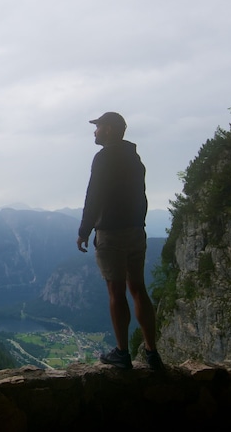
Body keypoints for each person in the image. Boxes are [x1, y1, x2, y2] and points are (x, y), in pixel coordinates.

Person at [76, 111, 163, 370]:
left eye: (99, 126)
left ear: (110, 129)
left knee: (116, 291)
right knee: (138, 288)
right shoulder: (134, 159)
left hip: (112, 232)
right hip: (136, 230)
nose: (95, 131)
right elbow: (141, 196)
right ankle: (152, 352)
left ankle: (122, 353)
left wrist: (84, 230)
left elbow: (94, 196)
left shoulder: (103, 158)